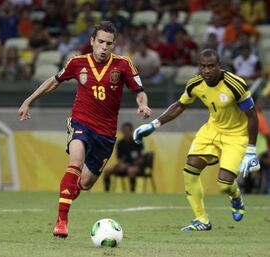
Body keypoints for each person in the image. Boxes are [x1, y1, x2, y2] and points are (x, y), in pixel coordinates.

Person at [18, 21, 151, 238]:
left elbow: (139, 90)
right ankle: (62, 220)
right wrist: (29, 100)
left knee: (86, 183)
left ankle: (67, 195)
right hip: (81, 122)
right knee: (75, 162)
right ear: (92, 41)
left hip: (106, 134)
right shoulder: (77, 62)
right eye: (100, 41)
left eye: (109, 43)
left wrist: (142, 104)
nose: (104, 47)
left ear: (114, 44)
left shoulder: (124, 64)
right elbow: (54, 81)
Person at [133, 49, 260, 231]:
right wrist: (154, 124)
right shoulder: (195, 83)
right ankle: (202, 219)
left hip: (236, 135)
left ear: (219, 66)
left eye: (210, 66)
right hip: (211, 130)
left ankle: (235, 195)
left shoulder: (235, 84)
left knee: (224, 185)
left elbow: (252, 116)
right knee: (190, 170)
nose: (206, 71)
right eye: (202, 66)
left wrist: (251, 150)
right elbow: (180, 105)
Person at [103, 122, 144, 192]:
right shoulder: (120, 143)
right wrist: (121, 164)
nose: (126, 133)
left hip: (135, 166)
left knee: (131, 170)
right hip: (122, 165)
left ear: (131, 131)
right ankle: (107, 191)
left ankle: (132, 191)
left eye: (128, 131)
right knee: (107, 171)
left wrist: (128, 165)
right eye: (124, 131)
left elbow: (141, 159)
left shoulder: (137, 142)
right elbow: (119, 158)